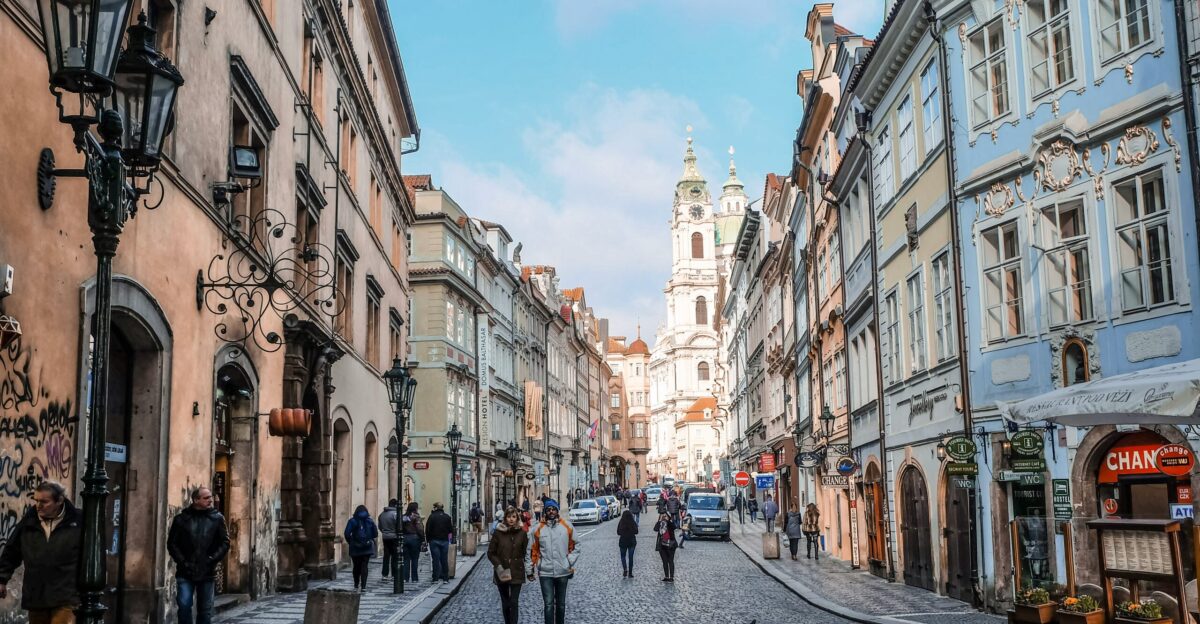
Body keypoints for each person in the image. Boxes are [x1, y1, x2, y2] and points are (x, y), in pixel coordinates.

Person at [0, 481, 83, 624]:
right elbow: (12, 551)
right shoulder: (29, 522)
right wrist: (1, 579)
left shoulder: (78, 520)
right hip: (36, 595)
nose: (38, 505)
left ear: (60, 501)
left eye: (44, 502)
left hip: (66, 595)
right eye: (36, 500)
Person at [167, 486, 230, 624]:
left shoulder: (217, 518)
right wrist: (183, 562)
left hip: (207, 571)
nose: (211, 500)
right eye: (206, 498)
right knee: (184, 607)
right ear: (196, 500)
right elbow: (172, 544)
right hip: (185, 571)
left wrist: (212, 559)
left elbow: (225, 543)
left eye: (210, 497)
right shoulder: (181, 519)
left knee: (205, 610)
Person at [526, 499, 578, 624]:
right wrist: (530, 569)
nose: (551, 511)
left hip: (563, 571)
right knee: (548, 605)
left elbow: (576, 545)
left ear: (557, 511)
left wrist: (569, 561)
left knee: (561, 604)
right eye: (548, 509)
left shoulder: (567, 526)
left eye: (553, 509)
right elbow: (531, 551)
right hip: (546, 573)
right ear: (545, 512)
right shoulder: (537, 529)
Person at [488, 506, 529, 624]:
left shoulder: (522, 533)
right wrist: (498, 565)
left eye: (514, 517)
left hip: (517, 570)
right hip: (502, 571)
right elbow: (491, 553)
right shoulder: (498, 533)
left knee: (514, 602)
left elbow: (525, 551)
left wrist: (529, 568)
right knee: (506, 603)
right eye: (509, 516)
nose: (511, 519)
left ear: (517, 518)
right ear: (505, 518)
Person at [343, 505, 378, 591]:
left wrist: (351, 542)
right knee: (364, 566)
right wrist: (369, 539)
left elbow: (347, 533)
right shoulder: (370, 521)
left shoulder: (352, 521)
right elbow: (375, 534)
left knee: (356, 566)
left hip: (355, 547)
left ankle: (356, 584)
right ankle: (363, 586)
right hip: (367, 547)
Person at [425, 502, 453, 582]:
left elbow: (428, 529)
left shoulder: (432, 517)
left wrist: (427, 540)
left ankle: (435, 578)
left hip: (434, 541)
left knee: (435, 560)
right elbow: (450, 530)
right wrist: (450, 540)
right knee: (444, 559)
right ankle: (445, 578)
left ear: (435, 508)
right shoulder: (447, 517)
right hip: (444, 541)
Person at [401, 502, 425, 582]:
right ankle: (414, 578)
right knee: (415, 559)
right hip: (415, 539)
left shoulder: (403, 517)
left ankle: (405, 577)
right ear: (415, 508)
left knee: (406, 559)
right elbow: (420, 529)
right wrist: (423, 539)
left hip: (405, 538)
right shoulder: (416, 517)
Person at [652, 512, 679, 582]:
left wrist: (668, 520)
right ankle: (666, 576)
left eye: (665, 516)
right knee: (664, 561)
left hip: (671, 545)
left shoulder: (670, 523)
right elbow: (655, 529)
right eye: (662, 516)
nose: (664, 517)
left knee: (670, 561)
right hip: (662, 545)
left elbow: (674, 527)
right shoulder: (660, 524)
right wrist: (660, 520)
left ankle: (671, 577)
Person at [379, 499, 400, 580]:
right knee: (395, 556)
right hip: (394, 537)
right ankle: (394, 574)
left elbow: (380, 526)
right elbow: (399, 526)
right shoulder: (396, 514)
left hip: (385, 537)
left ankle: (384, 574)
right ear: (395, 505)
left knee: (386, 556)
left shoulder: (382, 514)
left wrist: (385, 532)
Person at [616, 510, 638, 578]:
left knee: (623, 556)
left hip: (623, 541)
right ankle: (630, 573)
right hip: (631, 541)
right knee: (630, 557)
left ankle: (625, 569)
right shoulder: (632, 522)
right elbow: (636, 531)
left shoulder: (621, 522)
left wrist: (623, 532)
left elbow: (618, 532)